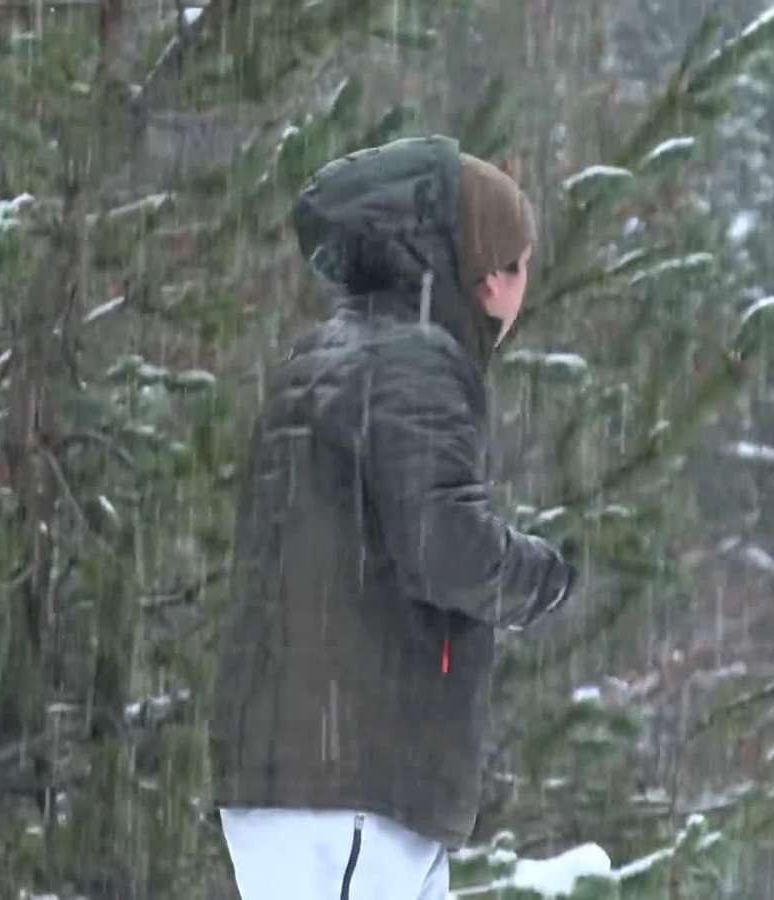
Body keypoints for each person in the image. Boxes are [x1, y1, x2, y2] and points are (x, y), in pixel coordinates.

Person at [208, 134, 579, 899]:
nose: (522, 296)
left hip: (293, 774)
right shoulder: (417, 362)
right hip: (353, 788)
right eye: (519, 270)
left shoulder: (322, 356)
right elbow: (446, 549)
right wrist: (547, 573)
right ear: (487, 277)